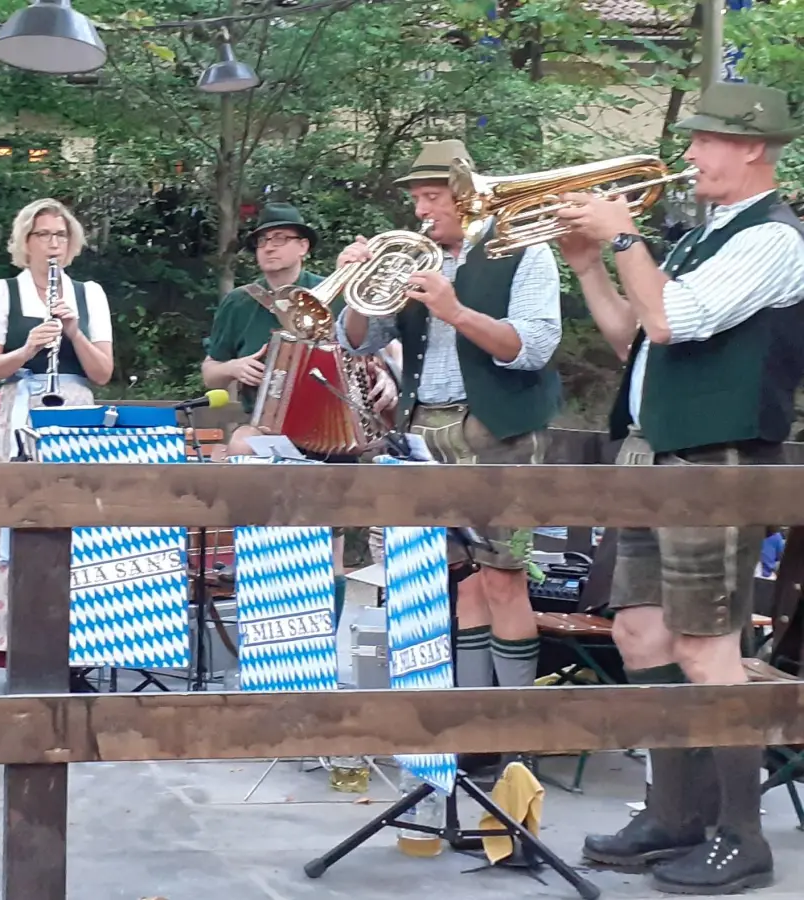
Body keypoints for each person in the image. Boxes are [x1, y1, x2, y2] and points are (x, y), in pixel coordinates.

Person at [555, 81, 804, 895]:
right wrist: (595, 266)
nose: (689, 152)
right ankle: (674, 814)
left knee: (705, 646)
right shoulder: (701, 238)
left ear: (753, 148)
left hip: (717, 461)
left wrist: (624, 234)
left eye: (705, 139)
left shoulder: (775, 239)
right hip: (658, 454)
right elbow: (636, 336)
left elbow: (673, 321)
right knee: (642, 634)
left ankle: (741, 836)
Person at [336, 139, 563, 712]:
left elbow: (533, 348)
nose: (420, 211)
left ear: (467, 195)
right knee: (457, 580)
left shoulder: (524, 252)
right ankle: (469, 728)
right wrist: (356, 290)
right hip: (423, 431)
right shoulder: (413, 258)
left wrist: (455, 310)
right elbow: (358, 340)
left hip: (496, 431)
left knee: (504, 578)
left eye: (431, 197)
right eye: (415, 198)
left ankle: (517, 730)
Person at [0, 199, 114, 663]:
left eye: (60, 236)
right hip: (18, 409)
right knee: (13, 522)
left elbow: (102, 373)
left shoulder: (90, 294)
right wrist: (27, 349)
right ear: (25, 243)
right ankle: (14, 640)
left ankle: (78, 641)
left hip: (75, 413)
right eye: (43, 235)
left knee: (77, 522)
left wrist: (74, 332)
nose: (53, 244)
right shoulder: (2, 292)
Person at [201, 202, 399, 458]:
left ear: (303, 247)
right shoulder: (239, 303)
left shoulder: (336, 292)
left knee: (381, 453)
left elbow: (385, 349)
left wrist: (387, 378)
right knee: (243, 444)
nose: (269, 247)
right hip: (269, 431)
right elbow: (210, 373)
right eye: (262, 241)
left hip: (341, 428)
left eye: (280, 238)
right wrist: (233, 368)